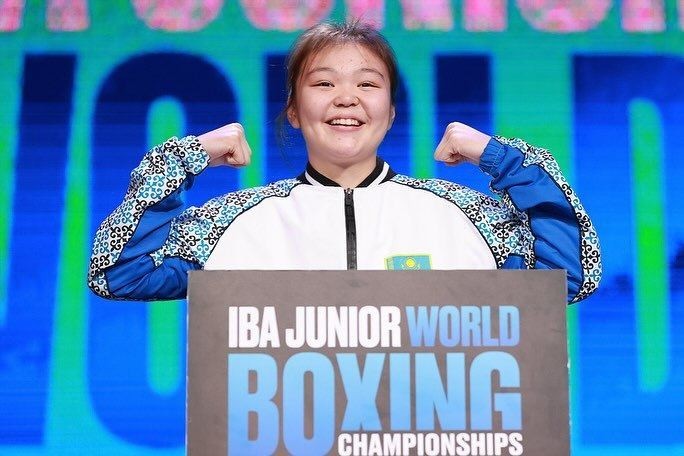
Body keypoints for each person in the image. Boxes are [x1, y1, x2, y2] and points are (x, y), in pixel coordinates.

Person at [87, 21, 601, 303]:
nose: (346, 98)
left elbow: (570, 276)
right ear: (293, 110)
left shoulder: (464, 216)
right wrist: (186, 157)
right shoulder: (233, 223)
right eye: (324, 82)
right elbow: (118, 272)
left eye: (367, 84)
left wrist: (500, 158)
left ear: (390, 112)